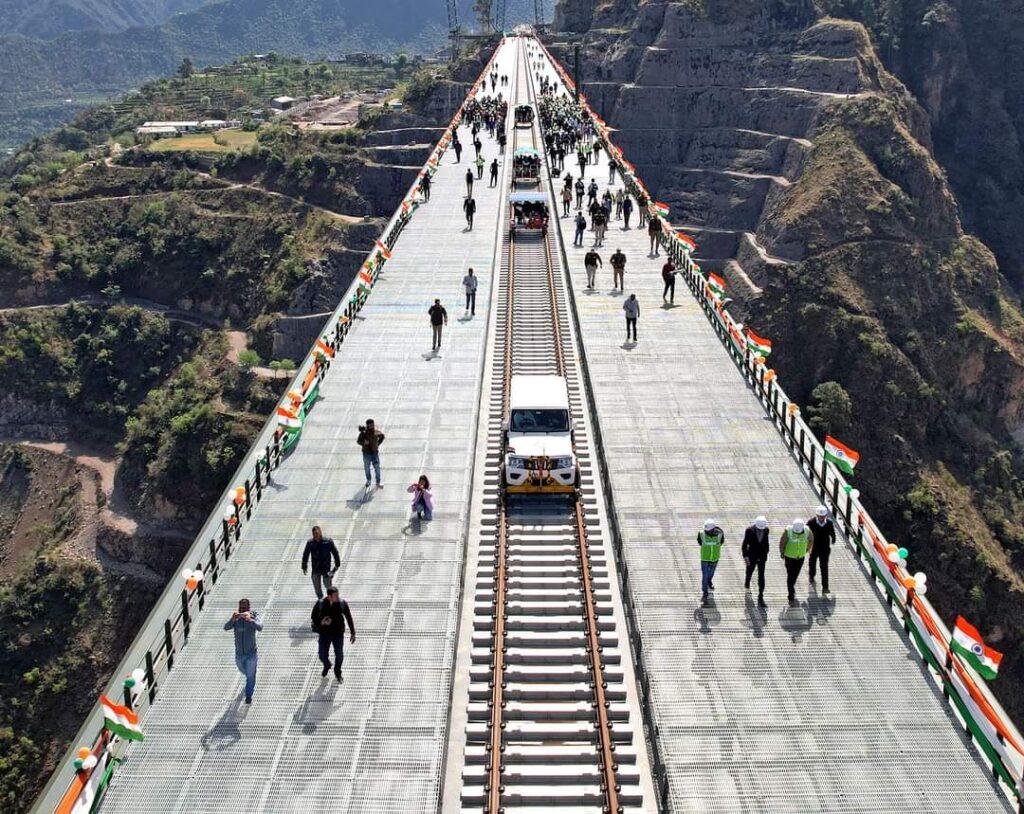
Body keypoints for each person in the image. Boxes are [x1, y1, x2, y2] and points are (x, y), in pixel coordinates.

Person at [311, 587, 355, 683]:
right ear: (329, 596)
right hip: (324, 633)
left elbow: (348, 617)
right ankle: (327, 665)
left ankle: (337, 672)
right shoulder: (321, 603)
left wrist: (353, 632)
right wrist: (321, 622)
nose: (337, 597)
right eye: (335, 596)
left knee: (339, 655)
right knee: (322, 655)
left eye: (338, 595)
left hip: (338, 633)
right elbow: (313, 616)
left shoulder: (342, 603)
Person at [224, 598, 262, 703]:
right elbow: (226, 627)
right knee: (242, 670)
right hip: (239, 654)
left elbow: (260, 627)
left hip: (251, 653)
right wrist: (233, 619)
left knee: (250, 675)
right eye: (240, 607)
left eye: (244, 608)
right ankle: (250, 676)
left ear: (249, 608)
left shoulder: (253, 616)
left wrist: (250, 620)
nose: (242, 610)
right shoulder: (236, 619)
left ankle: (248, 695)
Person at [302, 526, 340, 599]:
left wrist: (337, 565)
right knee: (317, 587)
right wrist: (304, 566)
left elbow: (335, 553)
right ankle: (321, 600)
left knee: (328, 586)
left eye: (316, 533)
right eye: (313, 534)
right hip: (316, 568)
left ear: (320, 532)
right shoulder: (310, 543)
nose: (315, 535)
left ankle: (332, 600)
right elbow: (305, 554)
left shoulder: (328, 541)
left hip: (326, 568)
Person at [780, 518, 810, 606]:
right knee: (790, 575)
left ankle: (791, 589)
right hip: (789, 557)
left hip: (800, 557)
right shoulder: (788, 531)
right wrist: (782, 552)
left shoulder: (807, 530)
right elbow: (782, 541)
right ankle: (791, 597)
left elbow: (811, 539)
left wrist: (807, 549)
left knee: (794, 575)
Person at [742, 516, 770, 607]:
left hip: (762, 556)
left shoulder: (766, 530)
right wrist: (745, 556)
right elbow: (744, 544)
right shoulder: (749, 531)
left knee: (761, 576)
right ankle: (747, 583)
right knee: (749, 571)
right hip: (751, 556)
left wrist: (766, 552)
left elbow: (766, 543)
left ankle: (761, 596)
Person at [808, 505, 836, 596]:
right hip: (814, 547)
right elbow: (806, 533)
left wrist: (833, 539)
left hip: (824, 548)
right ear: (817, 515)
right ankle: (812, 575)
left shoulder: (829, 523)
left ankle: (825, 587)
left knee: (824, 567)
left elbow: (832, 533)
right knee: (812, 562)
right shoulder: (811, 522)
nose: (821, 518)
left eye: (823, 516)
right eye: (820, 516)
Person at [698, 520, 724, 606]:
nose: (706, 531)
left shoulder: (720, 534)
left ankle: (709, 581)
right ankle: (705, 593)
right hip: (705, 558)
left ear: (713, 529)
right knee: (705, 575)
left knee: (711, 573)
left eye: (708, 530)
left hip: (714, 558)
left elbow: (721, 542)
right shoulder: (701, 533)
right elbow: (699, 541)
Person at [357, 419, 384, 488]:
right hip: (366, 454)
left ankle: (378, 482)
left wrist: (378, 444)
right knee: (367, 468)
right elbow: (358, 441)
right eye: (370, 425)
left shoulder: (376, 432)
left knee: (377, 468)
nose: (372, 426)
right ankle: (368, 480)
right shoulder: (364, 433)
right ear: (367, 425)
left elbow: (382, 436)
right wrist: (364, 443)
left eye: (373, 424)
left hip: (374, 453)